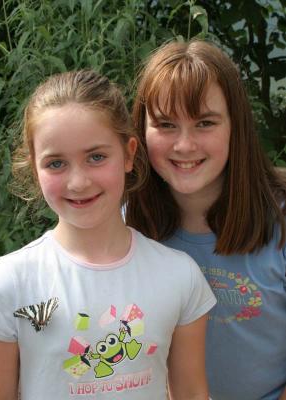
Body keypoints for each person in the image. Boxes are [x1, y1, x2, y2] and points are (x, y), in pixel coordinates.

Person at [0, 69, 216, 400]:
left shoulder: (179, 275)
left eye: (96, 157)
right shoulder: (10, 283)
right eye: (56, 163)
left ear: (128, 154)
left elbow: (191, 393)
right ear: (34, 166)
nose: (78, 182)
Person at [126, 39, 286, 400]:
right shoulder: (123, 226)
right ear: (140, 132)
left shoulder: (281, 217)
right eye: (166, 124)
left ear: (236, 125)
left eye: (204, 122)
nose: (185, 145)